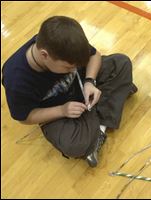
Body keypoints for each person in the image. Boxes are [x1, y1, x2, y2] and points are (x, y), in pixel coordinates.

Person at [2, 16, 138, 167]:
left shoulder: (65, 42)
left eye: (76, 65)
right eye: (68, 67)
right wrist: (62, 110)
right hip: (56, 109)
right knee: (74, 145)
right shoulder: (17, 79)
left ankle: (98, 128)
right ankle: (108, 104)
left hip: (82, 87)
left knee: (122, 62)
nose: (73, 70)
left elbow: (94, 55)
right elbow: (25, 117)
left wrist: (89, 81)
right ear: (44, 55)